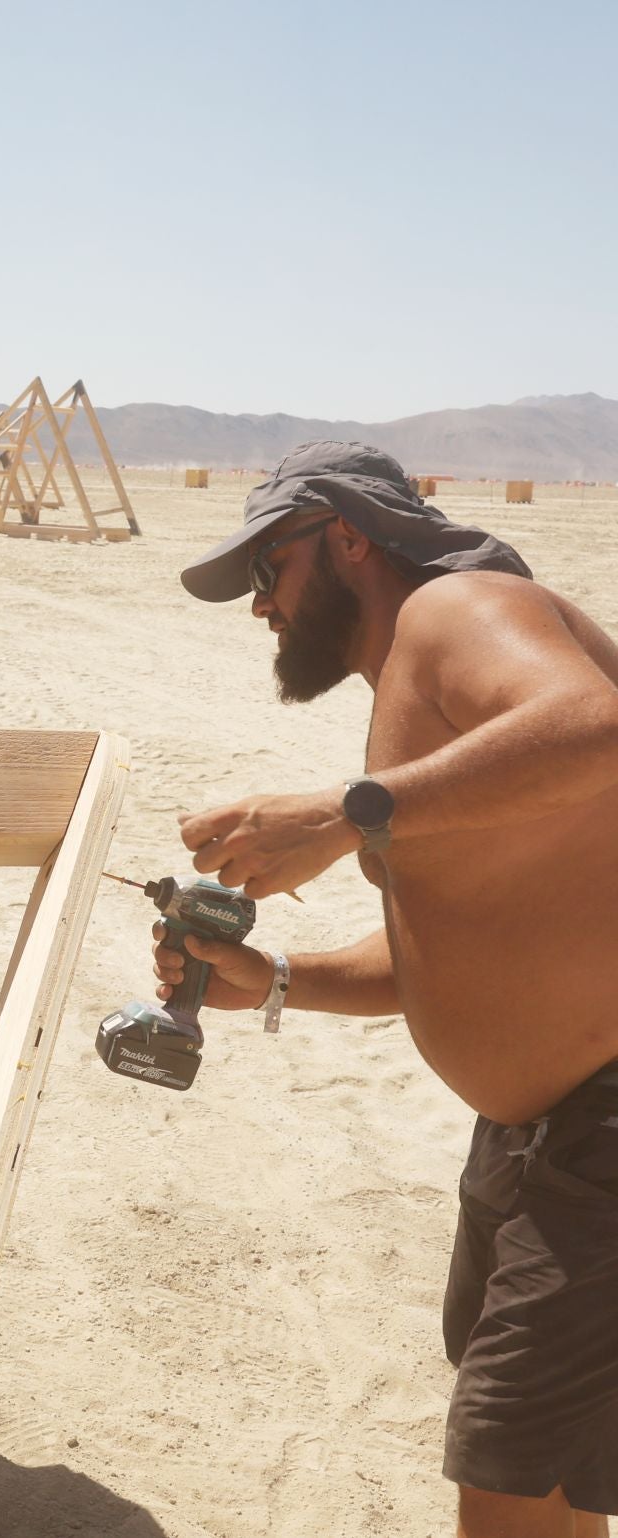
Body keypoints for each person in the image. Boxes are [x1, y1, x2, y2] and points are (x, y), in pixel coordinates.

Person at [157, 440, 618, 1538]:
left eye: (269, 569)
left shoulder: (457, 610)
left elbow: (604, 728)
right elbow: (463, 943)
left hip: (601, 1129)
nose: (260, 604)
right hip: (540, 1133)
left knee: (507, 1482)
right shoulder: (417, 676)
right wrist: (275, 979)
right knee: (543, 1482)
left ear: (347, 537)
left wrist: (340, 814)